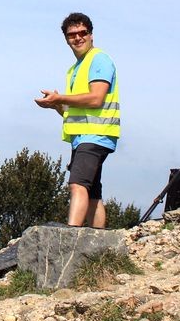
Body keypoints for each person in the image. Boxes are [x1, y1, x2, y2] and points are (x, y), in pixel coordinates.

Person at [34, 12, 120, 228]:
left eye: (83, 33)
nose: (78, 38)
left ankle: (70, 237)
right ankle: (98, 242)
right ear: (66, 39)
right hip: (85, 137)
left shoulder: (99, 59)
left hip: (96, 136)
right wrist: (55, 104)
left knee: (77, 185)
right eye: (72, 35)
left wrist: (61, 97)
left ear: (91, 35)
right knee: (92, 192)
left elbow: (96, 98)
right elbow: (73, 112)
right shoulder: (74, 69)